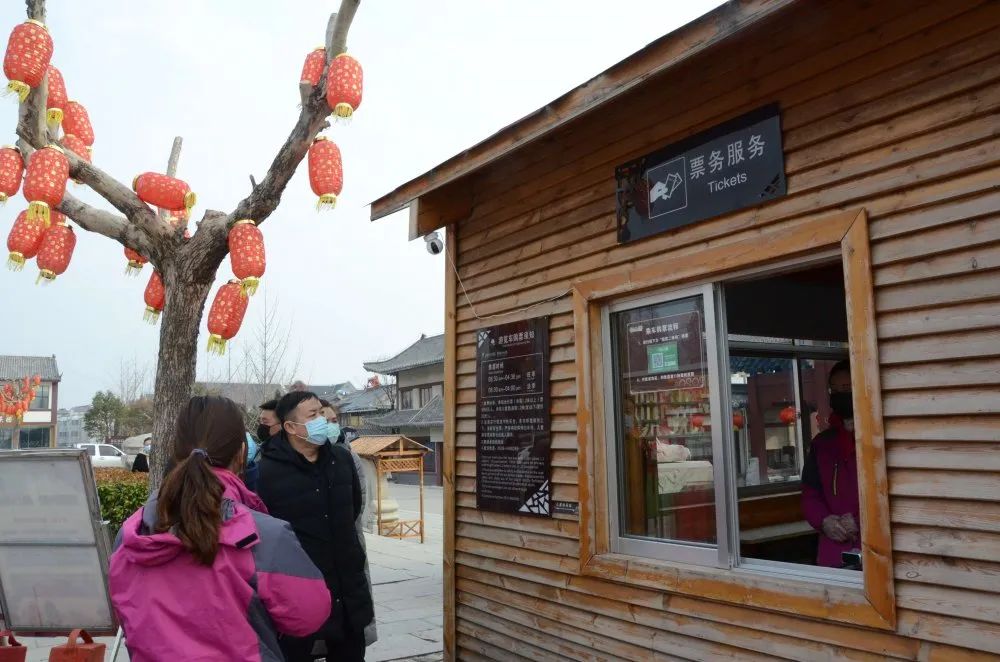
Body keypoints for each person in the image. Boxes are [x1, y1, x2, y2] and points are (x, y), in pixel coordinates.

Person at [109, 396, 331, 661]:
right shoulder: (264, 536)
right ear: (240, 453)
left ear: (176, 449)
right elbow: (309, 616)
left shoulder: (132, 533)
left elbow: (123, 610)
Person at [257, 391, 374, 661]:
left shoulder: (342, 461)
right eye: (313, 415)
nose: (322, 419)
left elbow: (353, 510)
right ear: (290, 427)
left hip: (347, 588)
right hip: (298, 591)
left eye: (321, 413)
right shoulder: (268, 472)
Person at [320, 398, 378, 649]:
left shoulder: (348, 456)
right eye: (326, 421)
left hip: (348, 547)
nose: (333, 426)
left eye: (335, 421)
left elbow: (360, 501)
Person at [801, 360, 861, 568]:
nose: (839, 394)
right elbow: (810, 494)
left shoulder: (876, 439)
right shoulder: (822, 444)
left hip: (874, 550)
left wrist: (860, 521)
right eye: (834, 390)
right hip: (833, 554)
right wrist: (824, 521)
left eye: (846, 388)